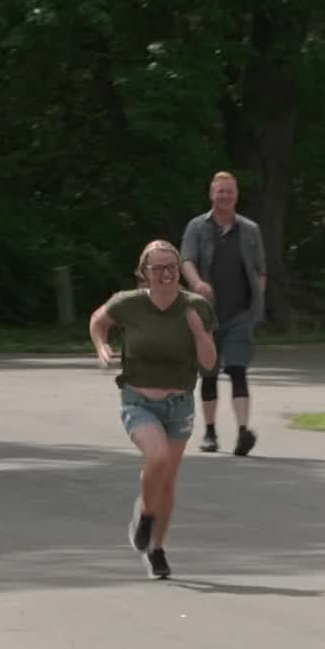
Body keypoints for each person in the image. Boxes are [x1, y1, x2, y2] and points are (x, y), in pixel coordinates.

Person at [90, 239, 218, 579]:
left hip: (179, 404)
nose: (166, 274)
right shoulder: (129, 303)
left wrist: (198, 332)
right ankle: (146, 515)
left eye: (171, 267)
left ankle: (157, 549)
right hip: (139, 400)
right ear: (144, 273)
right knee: (157, 458)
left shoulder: (195, 306)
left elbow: (209, 363)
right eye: (158, 268)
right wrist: (101, 347)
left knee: (168, 480)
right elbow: (98, 321)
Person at [179, 170, 267, 456]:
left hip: (240, 313)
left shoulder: (250, 230)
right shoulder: (197, 227)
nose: (225, 196)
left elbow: (260, 270)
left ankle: (243, 433)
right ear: (211, 194)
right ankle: (210, 433)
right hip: (206, 316)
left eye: (230, 191)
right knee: (209, 373)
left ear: (236, 195)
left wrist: (256, 300)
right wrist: (197, 284)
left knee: (238, 370)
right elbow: (186, 260)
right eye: (220, 191)